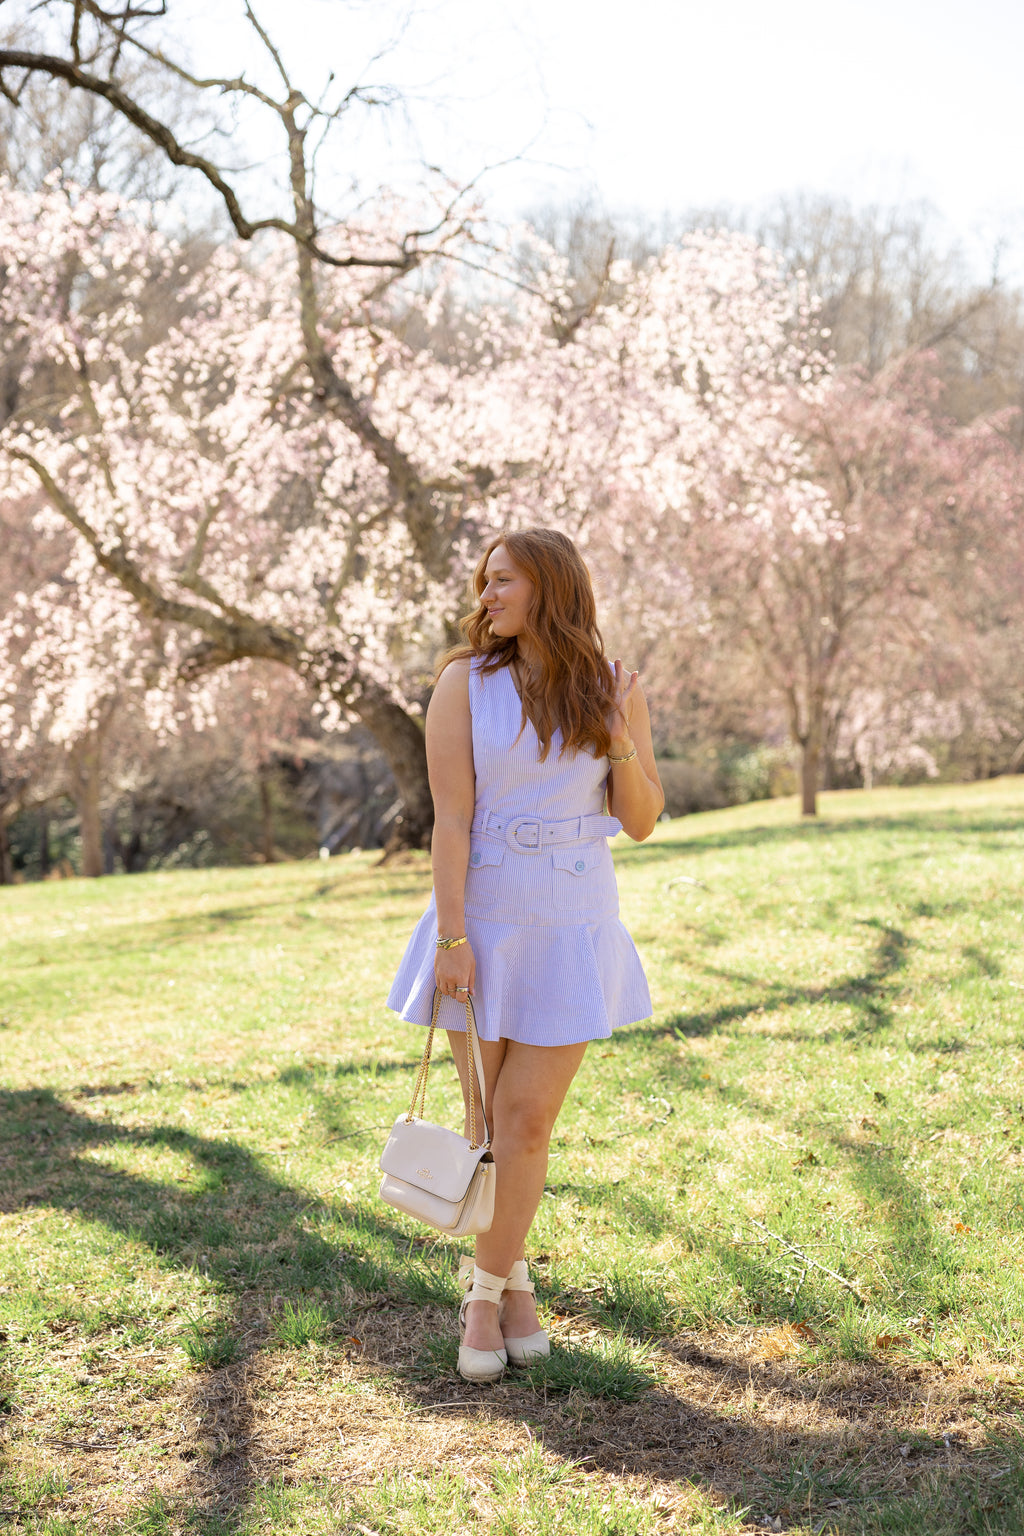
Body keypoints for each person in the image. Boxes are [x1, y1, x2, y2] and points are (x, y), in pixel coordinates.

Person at [386, 527, 664, 1382]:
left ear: (549, 586)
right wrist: (454, 938)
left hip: (573, 922)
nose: (486, 594)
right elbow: (453, 821)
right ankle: (514, 1287)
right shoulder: (462, 685)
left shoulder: (613, 687)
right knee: (487, 1128)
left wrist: (617, 733)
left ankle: (483, 1293)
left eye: (502, 579)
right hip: (486, 920)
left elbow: (644, 817)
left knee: (528, 1123)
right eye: (483, 580)